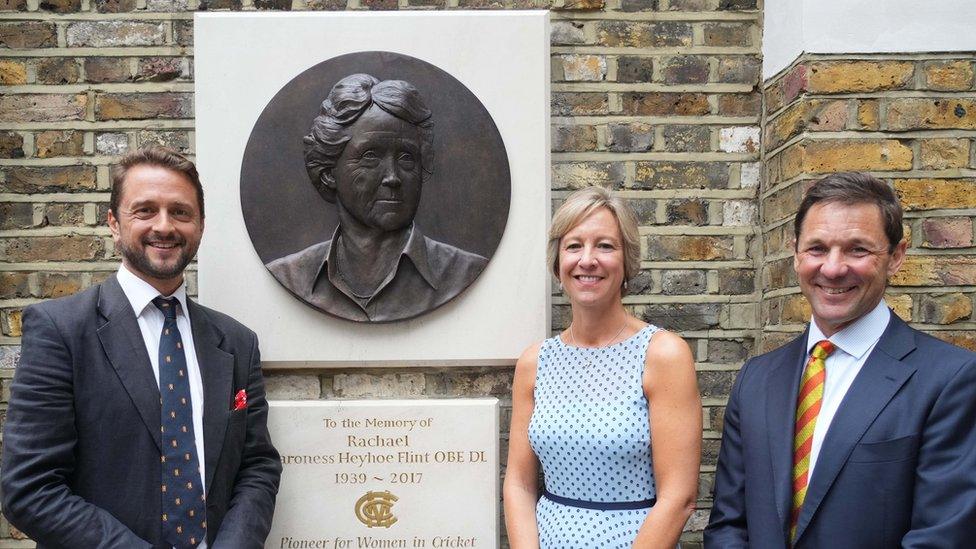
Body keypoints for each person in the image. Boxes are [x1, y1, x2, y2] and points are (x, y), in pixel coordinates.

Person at [1, 146, 282, 548]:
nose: (164, 226)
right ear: (114, 223)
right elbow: (29, 488)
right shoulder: (61, 331)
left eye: (180, 212)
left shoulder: (236, 342)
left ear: (200, 225)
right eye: (145, 210)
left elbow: (256, 466)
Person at [705, 172, 976, 548]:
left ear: (896, 257)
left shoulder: (950, 380)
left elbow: (942, 537)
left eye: (857, 250)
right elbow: (728, 525)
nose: (833, 268)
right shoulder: (757, 378)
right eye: (817, 248)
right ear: (795, 252)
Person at [504, 186, 701, 548]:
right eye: (574, 245)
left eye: (605, 246)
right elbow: (519, 483)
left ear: (627, 260)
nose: (588, 260)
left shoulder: (662, 355)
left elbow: (679, 496)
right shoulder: (535, 362)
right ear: (557, 261)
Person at [266, 73, 488, 323]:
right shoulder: (291, 275)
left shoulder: (464, 272)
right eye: (370, 156)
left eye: (406, 158)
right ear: (329, 173)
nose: (393, 177)